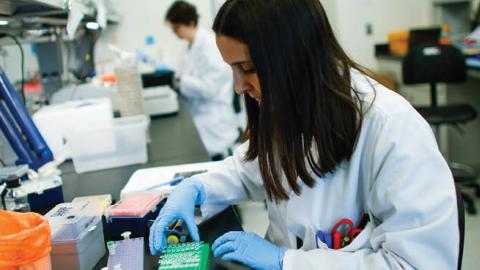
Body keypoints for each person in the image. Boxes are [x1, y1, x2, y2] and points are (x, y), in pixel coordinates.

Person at [151, 0, 459, 269]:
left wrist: (287, 262)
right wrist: (197, 188)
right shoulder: (289, 103)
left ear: (294, 57)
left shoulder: (391, 128)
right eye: (233, 68)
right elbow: (251, 170)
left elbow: (414, 263)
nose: (238, 86)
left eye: (247, 68)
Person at [165, 1, 240, 160]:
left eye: (176, 28)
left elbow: (211, 88)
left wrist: (181, 80)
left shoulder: (210, 45)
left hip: (215, 121)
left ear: (191, 23)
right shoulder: (188, 47)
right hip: (199, 117)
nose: (174, 33)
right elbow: (183, 75)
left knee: (217, 162)